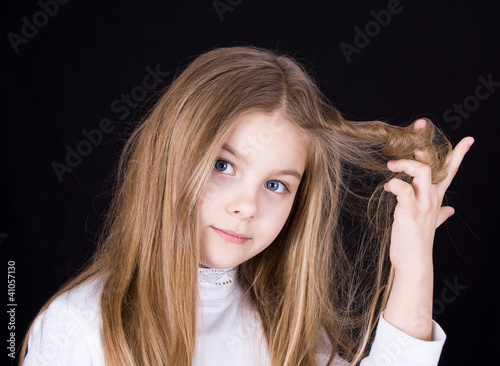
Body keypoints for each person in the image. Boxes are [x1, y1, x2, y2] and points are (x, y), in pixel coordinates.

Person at [20, 46, 474, 366]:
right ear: (169, 159)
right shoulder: (80, 329)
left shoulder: (285, 329)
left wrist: (414, 267)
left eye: (276, 184)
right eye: (223, 164)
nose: (246, 205)